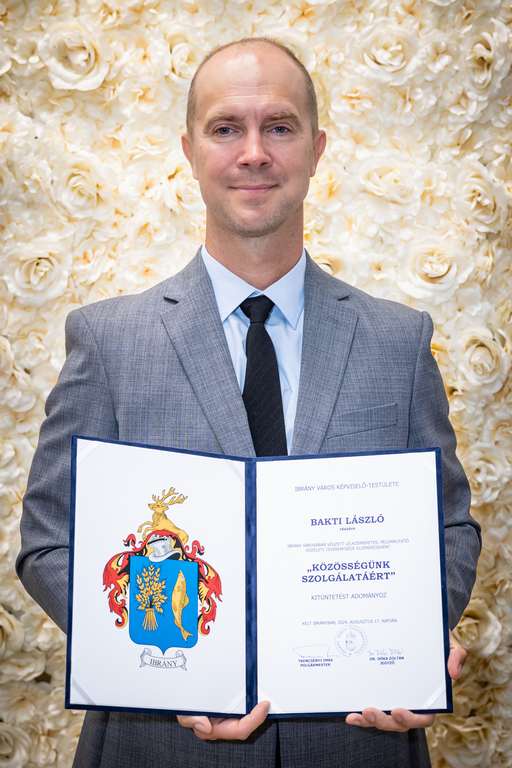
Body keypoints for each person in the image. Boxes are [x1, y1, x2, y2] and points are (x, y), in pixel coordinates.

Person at [17, 36, 481, 768]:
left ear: (317, 149)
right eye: (227, 128)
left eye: (280, 127)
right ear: (190, 150)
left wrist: (415, 639)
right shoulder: (108, 341)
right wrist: (158, 664)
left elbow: (448, 529)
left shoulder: (398, 341)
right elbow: (49, 541)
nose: (254, 153)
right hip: (157, 744)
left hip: (355, 741)